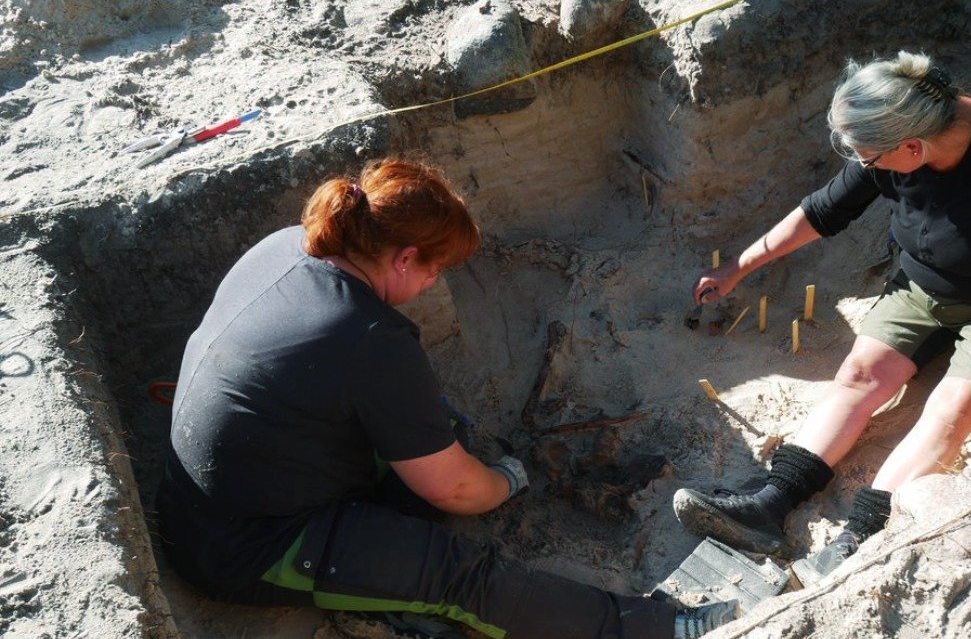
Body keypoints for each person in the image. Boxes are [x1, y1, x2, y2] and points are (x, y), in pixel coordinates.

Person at [156, 158, 736, 638]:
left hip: (219, 484)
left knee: (436, 428)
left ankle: (376, 578)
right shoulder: (370, 339)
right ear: (405, 258)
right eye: (435, 270)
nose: (435, 283)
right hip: (241, 545)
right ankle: (653, 629)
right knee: (458, 576)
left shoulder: (287, 246)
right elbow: (457, 490)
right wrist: (506, 480)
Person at [672, 51, 971, 585]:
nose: (865, 167)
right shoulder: (897, 140)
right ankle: (771, 505)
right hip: (921, 285)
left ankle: (859, 538)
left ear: (913, 146)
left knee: (951, 409)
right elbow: (824, 209)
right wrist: (738, 267)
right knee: (859, 377)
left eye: (871, 158)